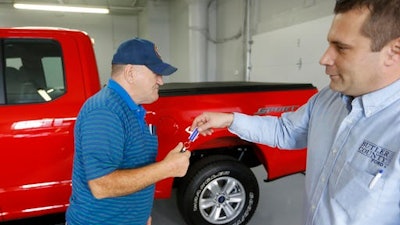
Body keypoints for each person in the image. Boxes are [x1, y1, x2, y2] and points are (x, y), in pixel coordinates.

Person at [190, 1, 400, 225]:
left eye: (341, 48)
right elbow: (286, 131)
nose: (324, 59)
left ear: (393, 52)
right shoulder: (328, 98)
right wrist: (229, 119)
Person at [66, 38, 191, 225]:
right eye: (156, 73)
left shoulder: (131, 108)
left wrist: (141, 216)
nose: (161, 81)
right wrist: (168, 168)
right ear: (130, 73)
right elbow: (101, 185)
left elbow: (133, 168)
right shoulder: (105, 111)